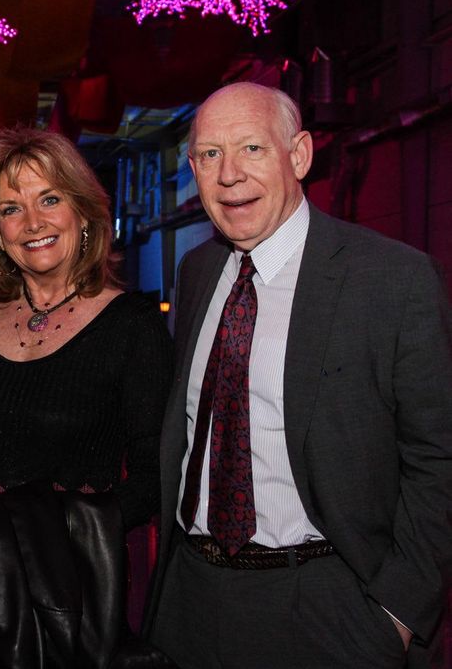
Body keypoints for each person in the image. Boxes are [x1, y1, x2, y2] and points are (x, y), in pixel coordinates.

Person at [146, 82, 452, 668]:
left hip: (326, 604)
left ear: (300, 155)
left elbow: (438, 459)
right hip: (189, 597)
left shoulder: (394, 281)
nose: (229, 174)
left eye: (252, 149)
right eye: (210, 155)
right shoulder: (198, 270)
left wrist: (398, 615)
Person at [0, 126, 172, 595]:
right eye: (11, 209)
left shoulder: (133, 326)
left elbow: (155, 478)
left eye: (49, 200)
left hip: (68, 583)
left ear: (83, 213)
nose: (32, 222)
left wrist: (51, 530)